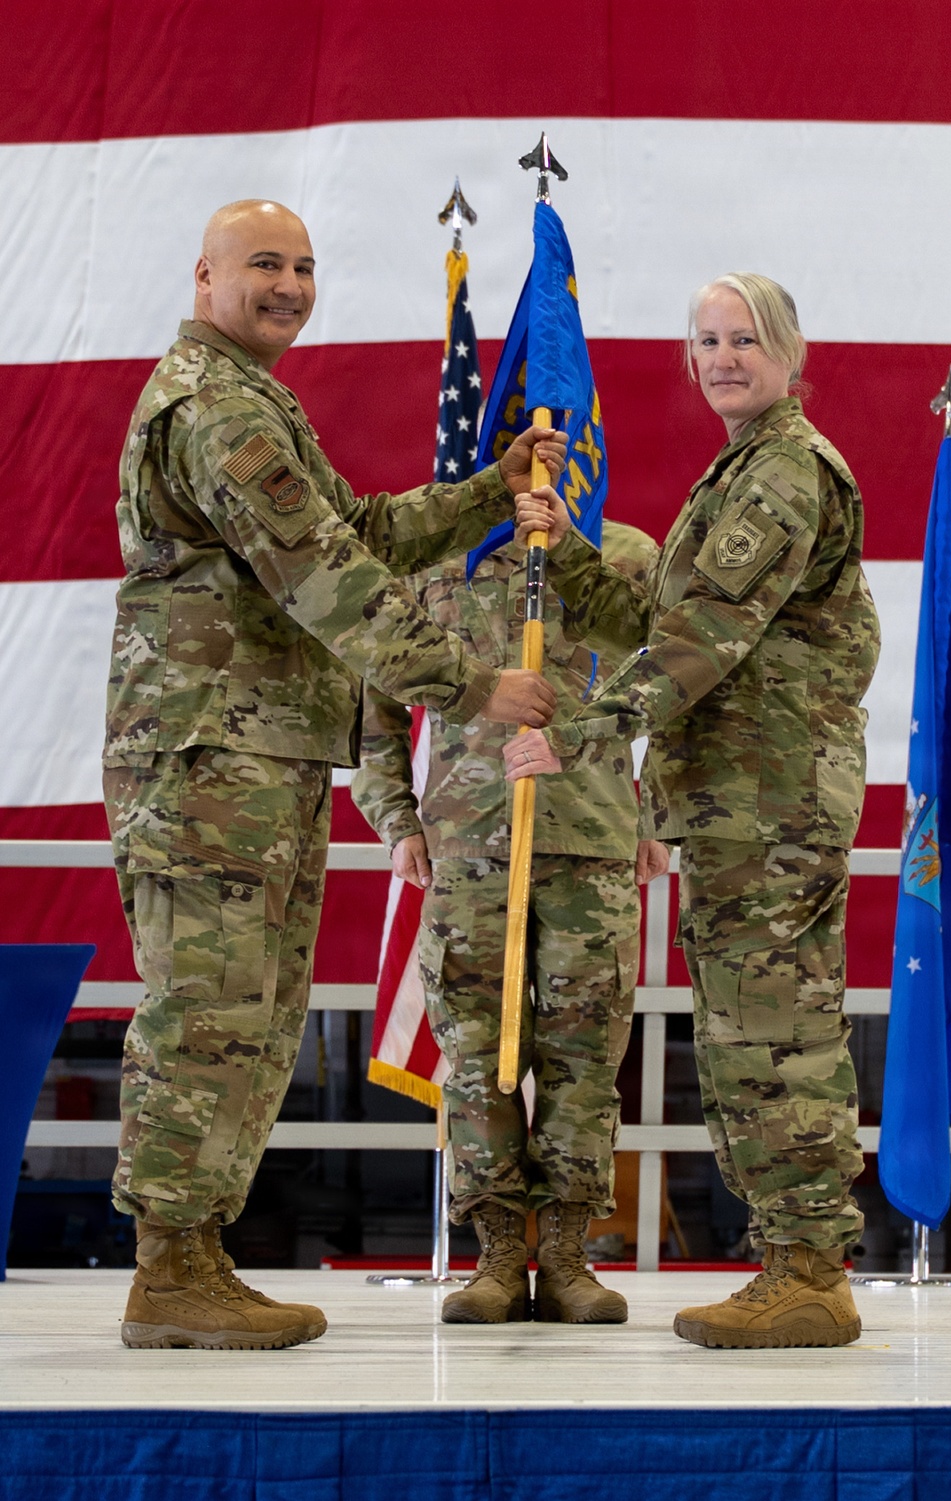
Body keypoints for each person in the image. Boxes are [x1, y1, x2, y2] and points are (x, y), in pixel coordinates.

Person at [103, 198, 566, 1350]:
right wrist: (473, 685)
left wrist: (481, 490)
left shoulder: (256, 402)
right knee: (209, 1013)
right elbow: (328, 581)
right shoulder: (216, 412)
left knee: (253, 1015)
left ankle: (194, 1254)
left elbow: (350, 528)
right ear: (203, 278)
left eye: (304, 266)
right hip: (209, 758)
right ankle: (168, 1264)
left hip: (254, 755)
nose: (289, 285)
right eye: (263, 264)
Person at [504, 273, 881, 1349]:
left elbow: (694, 642)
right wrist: (568, 549)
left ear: (789, 352)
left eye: (744, 340)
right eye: (706, 340)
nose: (722, 357)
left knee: (776, 1031)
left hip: (768, 804)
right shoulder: (737, 471)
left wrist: (573, 732)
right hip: (733, 806)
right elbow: (658, 613)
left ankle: (811, 1267)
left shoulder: (783, 474)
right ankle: (790, 1258)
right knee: (741, 1030)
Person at [353, 521, 666, 1324]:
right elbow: (378, 702)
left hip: (592, 843)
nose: (542, 454)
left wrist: (658, 813)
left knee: (584, 1060)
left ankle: (565, 1256)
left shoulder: (624, 557)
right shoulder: (432, 565)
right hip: (467, 846)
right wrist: (397, 820)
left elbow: (681, 683)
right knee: (475, 1057)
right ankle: (495, 1255)